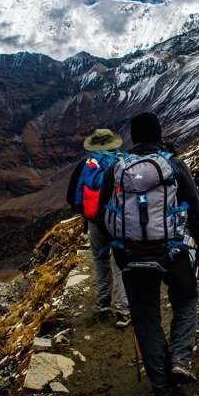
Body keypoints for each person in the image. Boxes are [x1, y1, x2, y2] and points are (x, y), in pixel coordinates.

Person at [96, 112, 199, 396]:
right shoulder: (174, 167)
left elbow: (102, 217)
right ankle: (179, 359)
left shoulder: (116, 170)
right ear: (159, 134)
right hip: (171, 253)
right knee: (186, 298)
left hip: (132, 258)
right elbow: (196, 211)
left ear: (133, 138)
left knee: (147, 322)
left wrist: (120, 252)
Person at [66, 128, 131, 328]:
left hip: (95, 221)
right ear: (114, 144)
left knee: (99, 257)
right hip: (118, 221)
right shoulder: (123, 162)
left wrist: (87, 213)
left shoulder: (86, 165)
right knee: (120, 261)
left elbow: (71, 195)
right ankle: (123, 310)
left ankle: (103, 301)